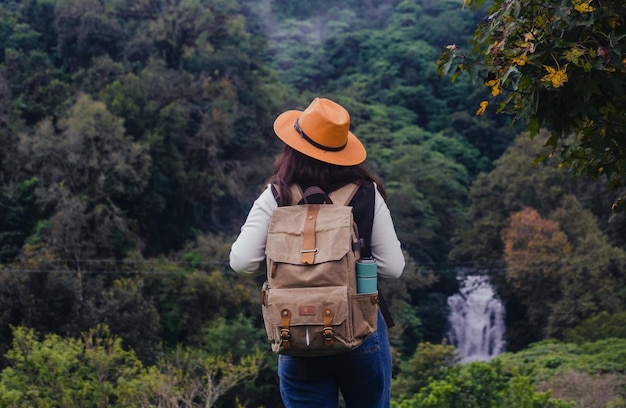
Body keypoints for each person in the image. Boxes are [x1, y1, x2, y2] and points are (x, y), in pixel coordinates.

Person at [229, 97, 405, 408]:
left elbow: (242, 262)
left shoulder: (276, 194)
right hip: (361, 328)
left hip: (296, 330)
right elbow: (393, 268)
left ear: (292, 148)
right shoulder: (367, 192)